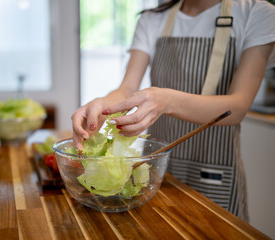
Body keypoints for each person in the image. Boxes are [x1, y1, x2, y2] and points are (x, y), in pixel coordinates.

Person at [72, 0, 275, 221]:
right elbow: (128, 88)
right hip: (156, 174)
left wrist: (166, 101)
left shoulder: (257, 13)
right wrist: (103, 104)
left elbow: (237, 108)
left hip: (216, 172)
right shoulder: (152, 19)